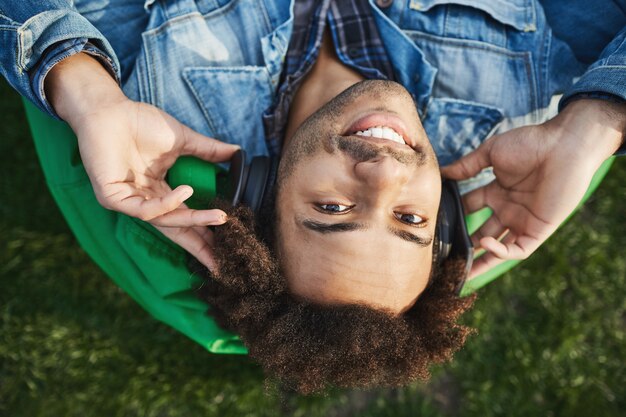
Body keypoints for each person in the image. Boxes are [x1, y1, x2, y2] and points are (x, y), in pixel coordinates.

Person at [1, 0, 624, 392]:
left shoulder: (163, 102)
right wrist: (598, 120)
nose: (384, 176)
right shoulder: (518, 106)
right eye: (410, 218)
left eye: (332, 211)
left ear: (260, 197)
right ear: (449, 211)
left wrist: (84, 91)